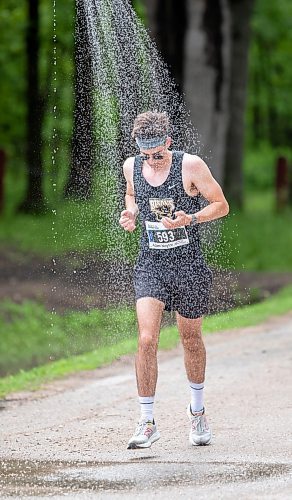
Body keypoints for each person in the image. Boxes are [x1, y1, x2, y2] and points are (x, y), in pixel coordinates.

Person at [119, 111, 229, 449]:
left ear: (168, 142)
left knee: (191, 339)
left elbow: (221, 205)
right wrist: (131, 212)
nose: (151, 161)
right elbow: (132, 195)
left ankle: (197, 412)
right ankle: (147, 421)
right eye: (145, 155)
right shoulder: (131, 167)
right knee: (146, 337)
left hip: (189, 267)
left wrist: (191, 218)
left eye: (157, 154)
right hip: (151, 264)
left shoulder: (190, 166)